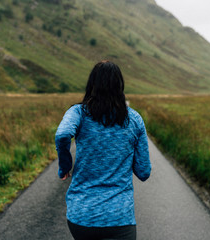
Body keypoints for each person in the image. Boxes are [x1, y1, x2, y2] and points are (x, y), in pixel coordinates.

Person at [55, 60, 151, 240]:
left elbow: (62, 134)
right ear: (119, 85)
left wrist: (64, 166)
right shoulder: (134, 119)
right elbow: (144, 172)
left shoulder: (78, 112)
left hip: (82, 217)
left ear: (92, 84)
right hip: (119, 219)